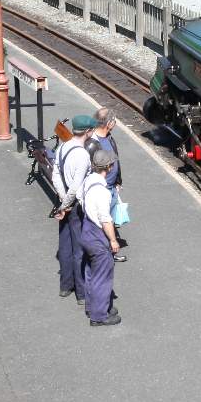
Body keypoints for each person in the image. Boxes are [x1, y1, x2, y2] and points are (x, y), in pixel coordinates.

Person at [54, 115, 97, 301]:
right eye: (92, 130)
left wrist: (62, 199)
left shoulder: (63, 147)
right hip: (75, 206)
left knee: (64, 246)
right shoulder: (83, 155)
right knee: (79, 249)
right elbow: (76, 186)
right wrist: (66, 205)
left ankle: (65, 286)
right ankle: (81, 293)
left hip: (64, 200)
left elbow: (56, 174)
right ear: (87, 132)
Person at [79, 149, 122, 327]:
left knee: (91, 272)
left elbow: (79, 197)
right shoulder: (103, 192)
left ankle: (94, 306)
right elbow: (105, 219)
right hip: (97, 235)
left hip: (86, 229)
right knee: (103, 276)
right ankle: (99, 316)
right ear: (109, 167)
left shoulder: (88, 180)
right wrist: (113, 240)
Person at [90, 107, 127, 260]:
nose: (115, 123)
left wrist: (118, 180)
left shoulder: (109, 137)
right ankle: (104, 254)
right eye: (114, 121)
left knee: (109, 220)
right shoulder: (92, 143)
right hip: (101, 189)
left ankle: (108, 251)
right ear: (109, 123)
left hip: (112, 187)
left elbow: (115, 159)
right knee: (102, 222)